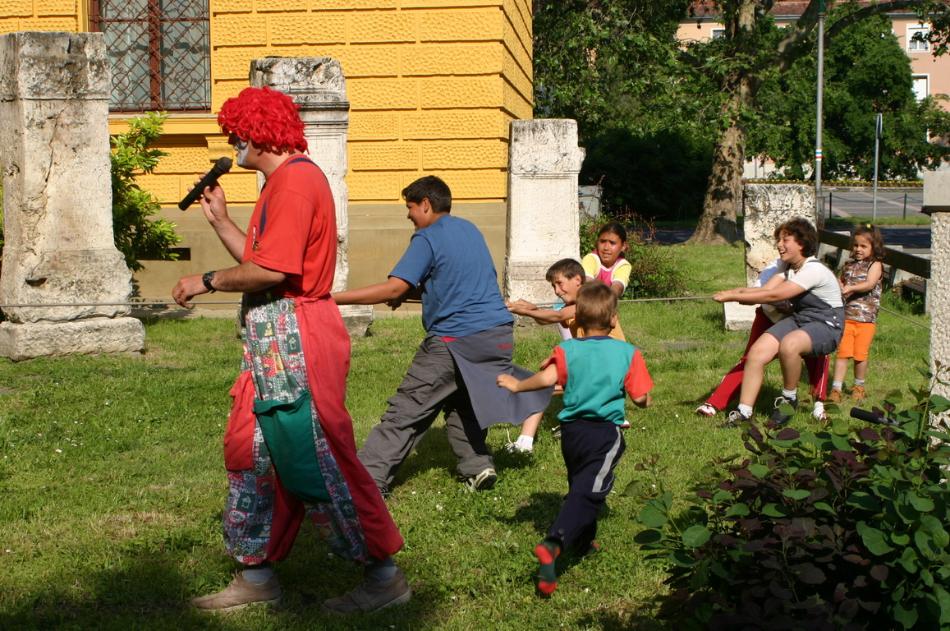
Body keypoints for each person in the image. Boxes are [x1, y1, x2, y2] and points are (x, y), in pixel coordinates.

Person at [172, 86, 408, 614]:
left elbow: (272, 272)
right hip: (273, 345)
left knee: (314, 456)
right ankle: (256, 576)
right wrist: (221, 221)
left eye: (236, 133)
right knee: (253, 453)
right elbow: (262, 259)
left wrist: (205, 280)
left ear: (258, 133)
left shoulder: (296, 184)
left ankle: (383, 575)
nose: (232, 144)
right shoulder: (281, 183)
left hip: (296, 341)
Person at [332, 175, 551, 494]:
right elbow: (456, 282)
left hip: (455, 338)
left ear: (426, 204)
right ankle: (478, 466)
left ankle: (365, 484)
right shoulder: (469, 230)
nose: (408, 215)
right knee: (464, 401)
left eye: (410, 207)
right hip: (497, 334)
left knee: (408, 409)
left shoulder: (427, 237)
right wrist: (410, 293)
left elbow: (393, 287)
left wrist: (330, 298)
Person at [497, 282, 652, 596]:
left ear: (577, 319)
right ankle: (555, 542)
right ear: (613, 319)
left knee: (582, 486)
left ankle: (582, 543)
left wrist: (517, 386)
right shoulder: (627, 352)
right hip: (604, 434)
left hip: (571, 433)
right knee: (588, 492)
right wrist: (645, 398)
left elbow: (547, 378)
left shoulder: (567, 350)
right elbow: (640, 398)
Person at [712, 217, 844, 427]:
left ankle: (788, 398)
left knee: (789, 345)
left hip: (827, 324)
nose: (779, 245)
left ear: (802, 243)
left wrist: (733, 297)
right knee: (756, 353)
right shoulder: (788, 267)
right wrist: (732, 292)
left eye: (785, 240)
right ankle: (744, 412)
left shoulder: (813, 270)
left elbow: (774, 296)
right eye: (778, 240)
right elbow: (765, 290)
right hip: (801, 319)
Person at [506, 258, 628, 452]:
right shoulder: (574, 306)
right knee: (542, 384)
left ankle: (525, 443)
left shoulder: (592, 300)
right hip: (593, 364)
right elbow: (550, 320)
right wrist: (532, 309)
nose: (556, 290)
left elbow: (558, 316)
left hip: (605, 367)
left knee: (540, 387)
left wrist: (525, 312)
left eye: (560, 283)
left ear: (577, 280)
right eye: (553, 286)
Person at [696, 258, 831, 423]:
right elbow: (759, 293)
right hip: (769, 318)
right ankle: (715, 403)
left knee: (819, 356)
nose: (781, 247)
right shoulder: (774, 270)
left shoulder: (815, 270)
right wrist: (734, 295)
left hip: (803, 322)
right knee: (750, 360)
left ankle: (819, 406)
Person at [829, 224, 885, 403]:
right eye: (855, 245)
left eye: (863, 246)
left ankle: (859, 386)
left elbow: (869, 284)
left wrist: (850, 288)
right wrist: (838, 284)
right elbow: (841, 283)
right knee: (843, 353)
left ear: (874, 247)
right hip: (847, 317)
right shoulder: (848, 265)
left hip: (866, 319)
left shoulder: (875, 265)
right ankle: (836, 388)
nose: (858, 249)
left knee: (860, 355)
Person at [582, 222, 632, 298]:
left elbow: (618, 287)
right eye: (602, 241)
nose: (606, 248)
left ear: (623, 246)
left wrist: (606, 301)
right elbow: (587, 284)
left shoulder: (623, 265)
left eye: (612, 243)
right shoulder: (591, 259)